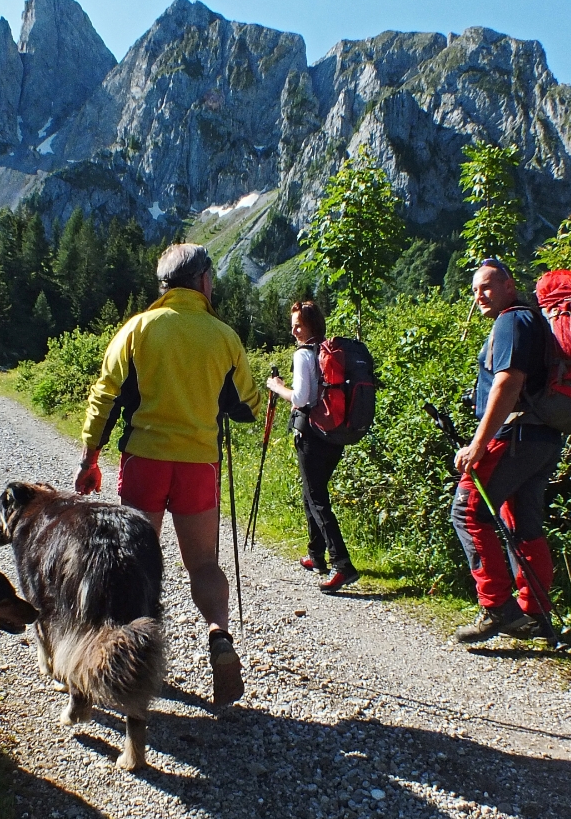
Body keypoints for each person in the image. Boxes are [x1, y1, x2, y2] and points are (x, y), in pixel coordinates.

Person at [76, 243, 261, 707]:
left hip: (146, 461)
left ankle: (133, 665)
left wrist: (90, 458)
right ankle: (219, 636)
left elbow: (106, 396)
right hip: (199, 464)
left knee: (135, 564)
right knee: (203, 564)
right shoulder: (224, 336)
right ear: (201, 280)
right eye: (211, 278)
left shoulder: (137, 329)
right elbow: (246, 406)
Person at [451, 257, 562, 643]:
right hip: (543, 438)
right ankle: (535, 612)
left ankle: (497, 608)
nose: (480, 295)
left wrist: (478, 445)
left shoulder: (511, 320)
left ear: (509, 285)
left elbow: (508, 383)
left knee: (467, 511)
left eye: (487, 286)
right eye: (475, 290)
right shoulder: (534, 320)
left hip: (514, 437)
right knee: (522, 523)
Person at [267, 301, 360, 594]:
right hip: (335, 433)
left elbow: (302, 399)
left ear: (311, 326)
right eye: (293, 324)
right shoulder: (327, 351)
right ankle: (316, 554)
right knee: (313, 493)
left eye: (299, 325)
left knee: (316, 498)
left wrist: (277, 386)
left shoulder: (305, 354)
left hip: (312, 434)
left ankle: (342, 564)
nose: (294, 330)